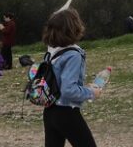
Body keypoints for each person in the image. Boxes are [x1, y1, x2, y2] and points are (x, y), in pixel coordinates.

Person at [42, 8, 101, 147]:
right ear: (73, 27)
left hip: (49, 111)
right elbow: (68, 90)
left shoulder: (51, 50)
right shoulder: (73, 55)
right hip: (67, 113)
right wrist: (91, 93)